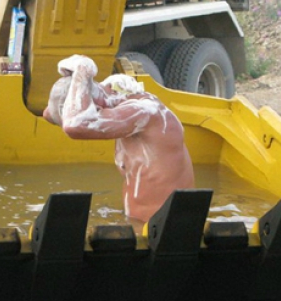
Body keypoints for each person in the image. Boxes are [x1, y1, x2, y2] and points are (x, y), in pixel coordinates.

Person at [43, 55, 194, 223]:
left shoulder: (145, 111)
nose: (98, 110)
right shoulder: (124, 116)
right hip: (139, 223)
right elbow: (49, 115)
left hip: (165, 229)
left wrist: (83, 70)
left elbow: (75, 125)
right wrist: (72, 85)